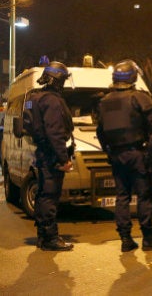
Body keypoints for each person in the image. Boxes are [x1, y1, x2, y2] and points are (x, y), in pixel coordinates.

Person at [96, 59, 152, 253]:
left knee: (122, 196)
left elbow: (100, 131)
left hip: (116, 155)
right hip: (137, 153)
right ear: (133, 77)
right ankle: (148, 238)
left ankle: (125, 238)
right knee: (144, 196)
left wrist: (108, 150)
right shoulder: (140, 98)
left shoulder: (104, 101)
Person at [25, 61, 74, 251]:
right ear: (57, 80)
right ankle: (50, 239)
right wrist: (63, 159)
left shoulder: (36, 97)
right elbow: (55, 133)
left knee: (43, 195)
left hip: (43, 153)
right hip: (52, 157)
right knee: (50, 197)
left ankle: (43, 236)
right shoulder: (52, 100)